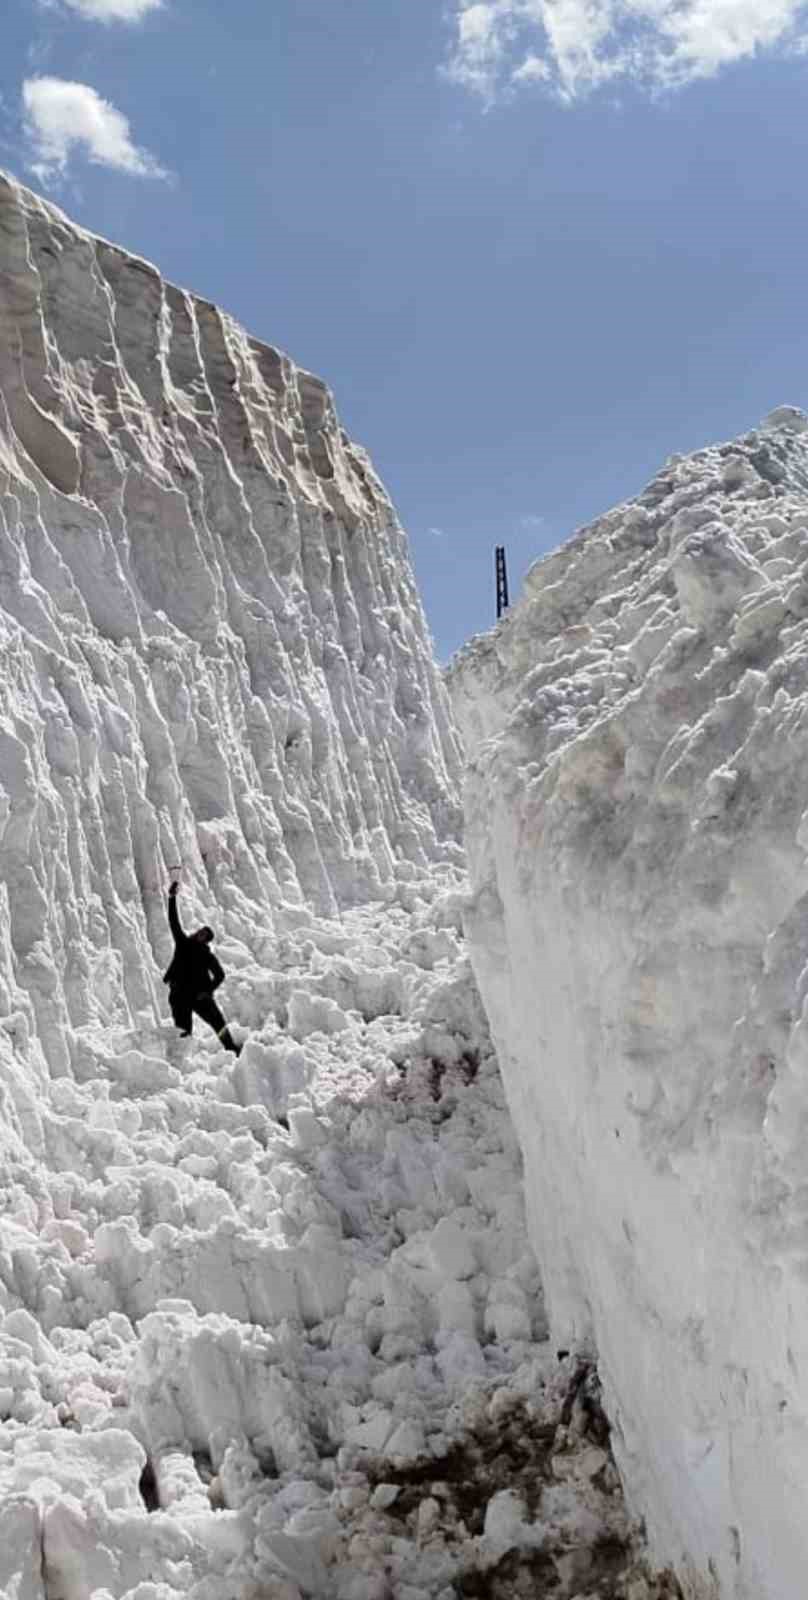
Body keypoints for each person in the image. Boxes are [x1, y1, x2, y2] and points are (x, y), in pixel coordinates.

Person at [163, 881, 241, 1055]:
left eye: (204, 934)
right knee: (184, 1030)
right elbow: (174, 922)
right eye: (200, 931)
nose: (200, 933)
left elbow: (220, 975)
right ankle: (182, 1060)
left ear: (206, 941)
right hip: (179, 995)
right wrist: (172, 898)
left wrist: (208, 991)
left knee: (217, 1022)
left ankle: (231, 1047)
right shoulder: (183, 943)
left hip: (199, 996)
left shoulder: (207, 956)